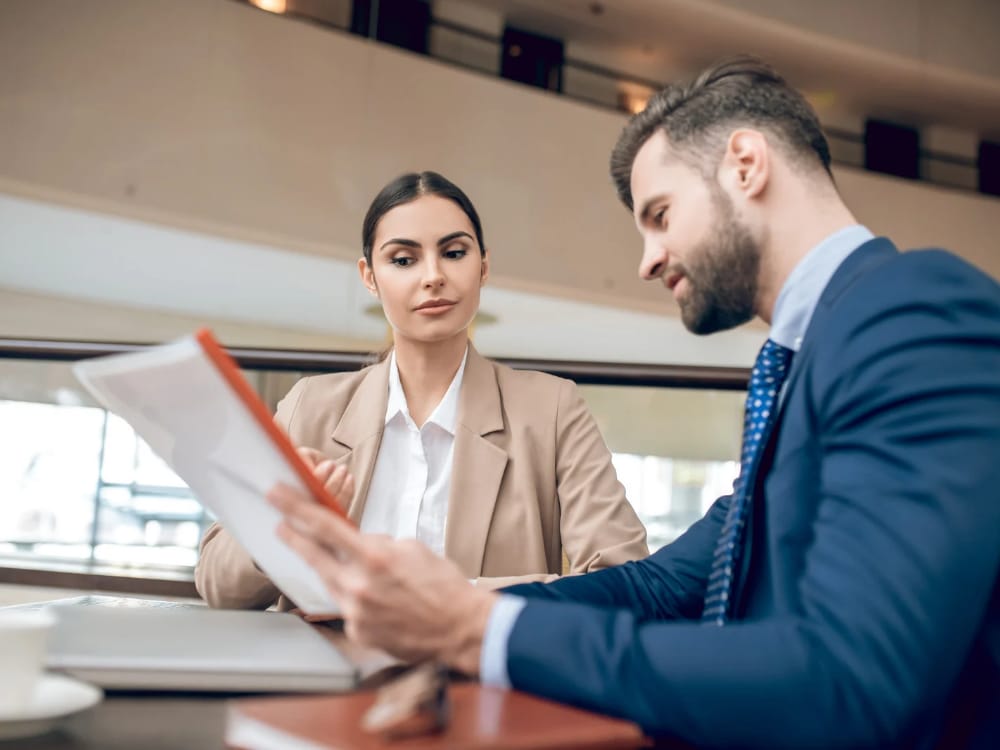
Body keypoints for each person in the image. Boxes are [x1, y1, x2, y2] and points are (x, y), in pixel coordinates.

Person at [267, 57, 1000, 748]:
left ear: (746, 166)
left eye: (659, 213)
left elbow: (854, 680)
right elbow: (660, 585)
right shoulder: (812, 359)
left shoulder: (914, 313)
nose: (646, 259)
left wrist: (473, 631)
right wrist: (436, 613)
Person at [196, 171, 648, 610]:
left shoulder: (550, 410)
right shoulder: (309, 407)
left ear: (484, 266)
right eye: (403, 260)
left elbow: (622, 578)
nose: (433, 275)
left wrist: (452, 595)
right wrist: (289, 520)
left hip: (474, 678)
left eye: (453, 253)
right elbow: (218, 583)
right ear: (369, 276)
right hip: (320, 671)